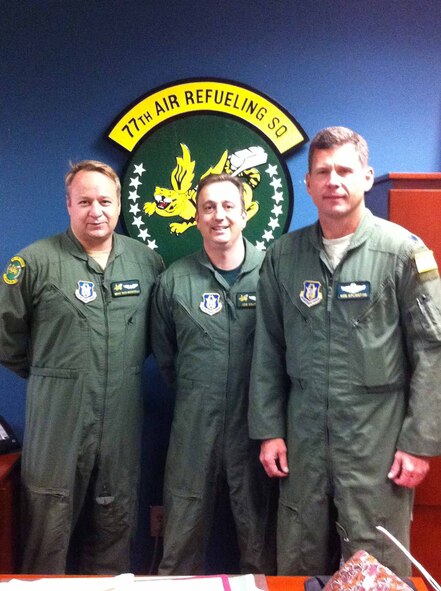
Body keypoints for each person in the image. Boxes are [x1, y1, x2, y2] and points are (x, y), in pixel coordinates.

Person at [248, 127, 441, 576]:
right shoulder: (283, 257)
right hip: (303, 438)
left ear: (367, 178)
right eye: (322, 171)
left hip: (376, 440)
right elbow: (268, 349)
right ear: (309, 184)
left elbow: (432, 350)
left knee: (377, 562)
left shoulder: (403, 253)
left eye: (344, 170)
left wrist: (418, 442)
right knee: (298, 555)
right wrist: (269, 429)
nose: (334, 180)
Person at [0, 160, 164, 574]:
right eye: (85, 201)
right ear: (69, 205)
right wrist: (55, 374)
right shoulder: (34, 263)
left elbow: (156, 335)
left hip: (121, 412)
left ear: (120, 204)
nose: (97, 211)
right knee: (48, 519)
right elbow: (6, 337)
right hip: (58, 414)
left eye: (106, 201)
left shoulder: (146, 263)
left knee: (116, 517)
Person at [152, 173, 276, 575]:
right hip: (194, 427)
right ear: (197, 217)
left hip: (258, 429)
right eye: (208, 207)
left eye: (227, 206)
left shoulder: (274, 274)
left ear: (245, 214)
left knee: (261, 542)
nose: (218, 216)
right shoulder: (174, 280)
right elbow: (166, 359)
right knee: (180, 540)